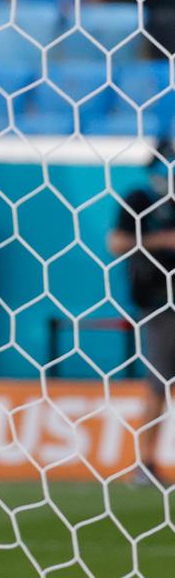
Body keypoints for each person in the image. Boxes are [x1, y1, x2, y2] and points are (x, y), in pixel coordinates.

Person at [107, 137, 175, 485]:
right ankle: (145, 464)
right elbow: (115, 242)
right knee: (158, 384)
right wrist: (158, 242)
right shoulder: (140, 199)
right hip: (159, 303)